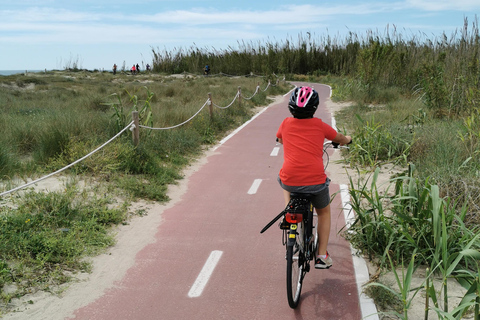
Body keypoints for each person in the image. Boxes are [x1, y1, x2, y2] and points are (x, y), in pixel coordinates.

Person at [276, 86, 352, 269]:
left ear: (291, 107)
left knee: (284, 181)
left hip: (291, 180)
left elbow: (279, 139)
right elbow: (339, 138)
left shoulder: (285, 123)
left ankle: (289, 210)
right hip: (315, 182)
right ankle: (321, 255)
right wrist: (347, 139)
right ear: (315, 107)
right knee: (324, 212)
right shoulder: (319, 125)